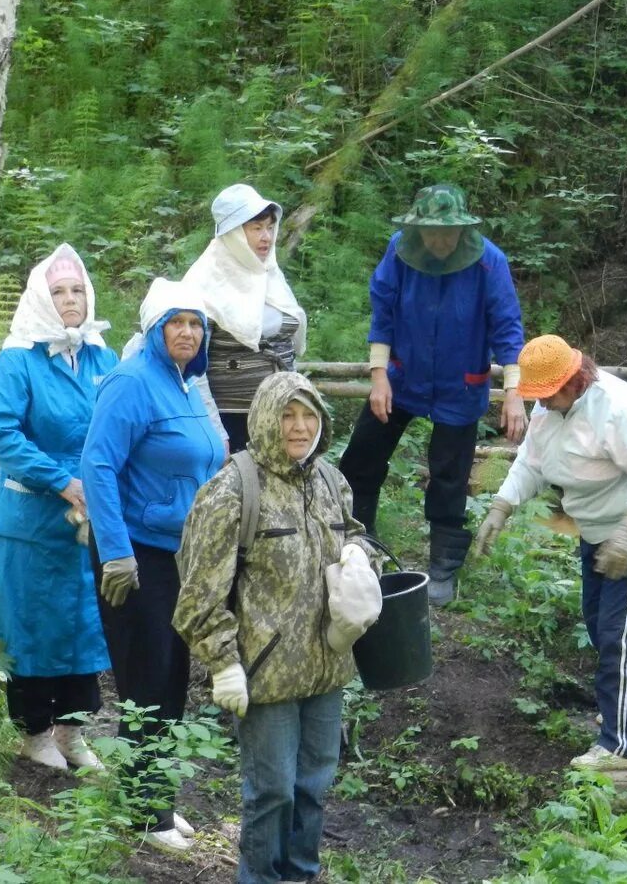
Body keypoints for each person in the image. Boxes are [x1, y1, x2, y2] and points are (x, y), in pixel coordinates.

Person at [175, 370, 379, 884]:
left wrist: (361, 553)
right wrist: (223, 663)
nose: (299, 426)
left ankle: (301, 875)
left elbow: (355, 535)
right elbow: (199, 594)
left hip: (328, 667)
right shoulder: (232, 490)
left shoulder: (331, 480)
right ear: (265, 418)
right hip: (262, 676)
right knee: (273, 792)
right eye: (287, 414)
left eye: (309, 414)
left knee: (314, 785)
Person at [474, 335, 627, 771]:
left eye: (547, 396)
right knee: (598, 619)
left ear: (573, 380)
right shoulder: (549, 405)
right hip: (598, 528)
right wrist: (501, 506)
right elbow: (531, 461)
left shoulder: (618, 407)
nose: (543, 404)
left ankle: (621, 745)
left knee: (620, 629)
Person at [81, 278, 223, 852]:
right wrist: (115, 552)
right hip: (137, 555)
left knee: (171, 675)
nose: (186, 333)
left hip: (180, 553)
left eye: (195, 324)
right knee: (147, 674)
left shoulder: (188, 385)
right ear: (154, 331)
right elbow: (98, 465)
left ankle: (154, 796)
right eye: (176, 323)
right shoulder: (132, 381)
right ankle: (145, 810)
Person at [338, 183, 526, 606]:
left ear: (462, 229)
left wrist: (514, 392)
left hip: (461, 384)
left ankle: (443, 568)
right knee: (360, 459)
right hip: (403, 377)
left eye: (448, 233)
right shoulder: (399, 252)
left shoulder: (488, 262)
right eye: (431, 233)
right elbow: (383, 310)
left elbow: (507, 327)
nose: (440, 241)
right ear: (417, 229)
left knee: (448, 476)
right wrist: (378, 374)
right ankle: (357, 548)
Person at [0, 243, 116, 773]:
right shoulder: (19, 359)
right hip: (33, 515)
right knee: (32, 624)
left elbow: (120, 423)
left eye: (77, 289)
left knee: (85, 621)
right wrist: (62, 479)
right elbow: (2, 434)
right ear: (40, 298)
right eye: (59, 291)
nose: (71, 300)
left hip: (88, 516)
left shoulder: (104, 356)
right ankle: (34, 735)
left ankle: (73, 733)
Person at [180, 182, 308, 453]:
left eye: (270, 227)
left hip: (284, 409)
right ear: (234, 233)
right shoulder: (203, 283)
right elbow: (192, 369)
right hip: (234, 422)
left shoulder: (270, 275)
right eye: (256, 228)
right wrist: (215, 432)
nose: (267, 237)